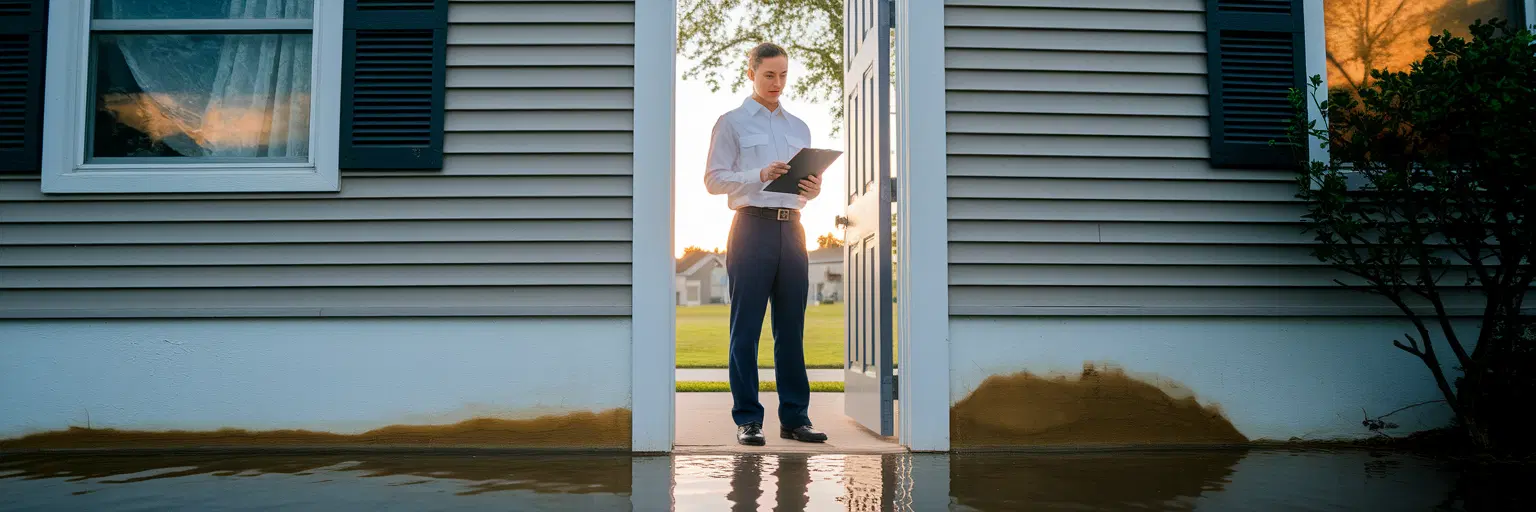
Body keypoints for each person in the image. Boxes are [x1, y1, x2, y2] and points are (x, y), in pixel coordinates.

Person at [703, 42, 828, 446]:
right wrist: (759, 173)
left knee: (791, 328)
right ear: (751, 73)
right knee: (746, 330)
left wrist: (813, 187)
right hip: (750, 229)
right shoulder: (732, 122)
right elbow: (713, 180)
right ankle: (748, 420)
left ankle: (795, 418)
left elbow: (804, 192)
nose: (777, 83)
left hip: (793, 229)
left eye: (783, 75)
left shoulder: (799, 127)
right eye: (769, 75)